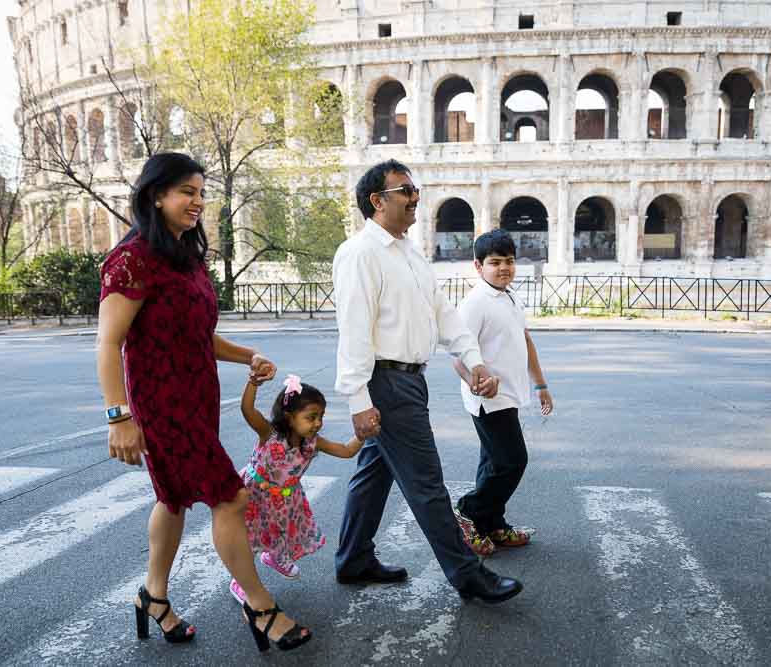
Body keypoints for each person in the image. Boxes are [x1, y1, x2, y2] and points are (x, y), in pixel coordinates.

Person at [97, 152, 311, 653]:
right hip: (160, 404)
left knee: (172, 499)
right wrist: (119, 416)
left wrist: (246, 356)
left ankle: (154, 597)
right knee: (229, 496)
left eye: (200, 192)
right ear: (156, 195)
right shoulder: (130, 259)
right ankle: (260, 606)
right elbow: (109, 343)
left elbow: (199, 334)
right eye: (185, 192)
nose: (197, 202)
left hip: (197, 398)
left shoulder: (185, 255)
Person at [332, 159, 523, 603]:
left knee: (373, 475)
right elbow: (354, 330)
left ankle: (353, 557)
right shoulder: (360, 253)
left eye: (415, 188)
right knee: (427, 483)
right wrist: (358, 398)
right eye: (405, 190)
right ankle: (467, 573)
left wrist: (474, 361)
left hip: (409, 380)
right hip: (385, 382)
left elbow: (443, 314)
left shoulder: (408, 253)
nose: (415, 196)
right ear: (377, 201)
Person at [451, 229, 554, 557]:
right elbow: (458, 357)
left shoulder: (510, 296)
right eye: (495, 262)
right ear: (478, 266)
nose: (504, 268)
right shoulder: (474, 303)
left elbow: (525, 341)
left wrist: (541, 385)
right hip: (488, 400)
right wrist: (476, 382)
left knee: (493, 462)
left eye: (509, 261)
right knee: (512, 462)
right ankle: (468, 511)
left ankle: (492, 524)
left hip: (510, 394)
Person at [229, 374, 363, 603]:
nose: (318, 423)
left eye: (320, 416)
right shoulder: (269, 434)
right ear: (289, 417)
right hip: (255, 495)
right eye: (311, 417)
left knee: (282, 532)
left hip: (286, 500)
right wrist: (253, 382)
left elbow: (346, 450)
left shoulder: (313, 442)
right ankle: (241, 582)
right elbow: (248, 410)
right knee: (250, 539)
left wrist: (362, 436)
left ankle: (275, 557)